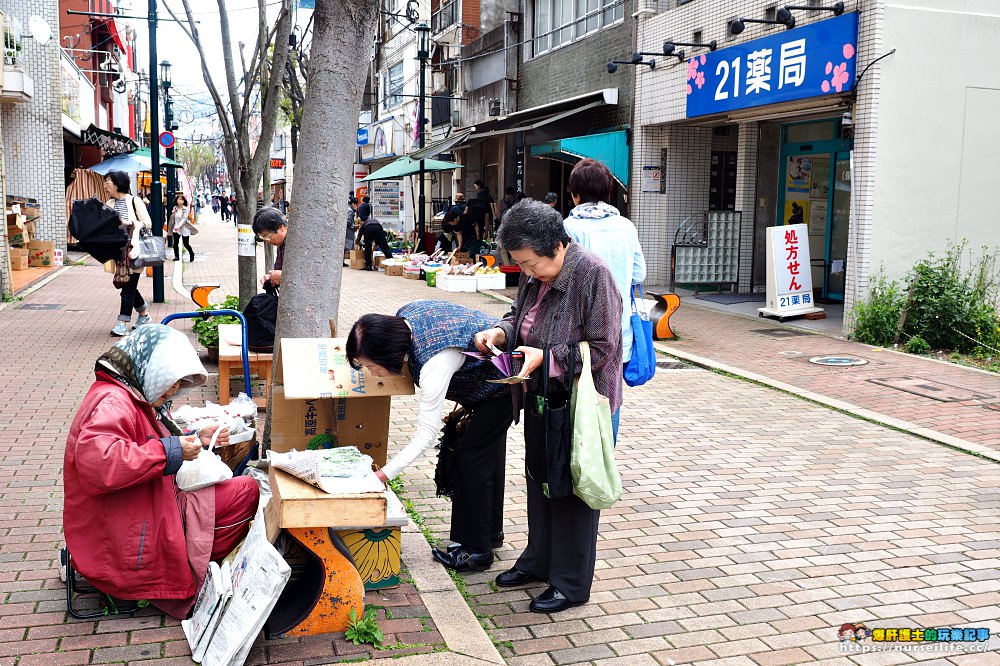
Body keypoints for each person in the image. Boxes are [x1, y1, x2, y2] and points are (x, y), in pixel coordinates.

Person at [476, 198, 622, 614]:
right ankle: (538, 560)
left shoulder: (592, 273)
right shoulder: (534, 273)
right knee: (542, 478)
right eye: (520, 265)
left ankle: (570, 582)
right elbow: (520, 317)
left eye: (530, 264)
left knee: (574, 488)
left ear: (557, 246)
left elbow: (605, 347)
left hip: (582, 403)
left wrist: (549, 358)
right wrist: (501, 333)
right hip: (540, 395)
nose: (526, 272)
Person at [63, 325, 259, 619]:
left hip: (132, 510)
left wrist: (196, 437)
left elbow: (137, 445)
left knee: (240, 488)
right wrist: (173, 451)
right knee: (246, 491)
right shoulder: (113, 402)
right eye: (170, 382)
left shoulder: (123, 393)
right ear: (150, 369)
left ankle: (195, 558)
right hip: (127, 527)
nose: (172, 391)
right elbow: (101, 463)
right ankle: (192, 566)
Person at [346, 301, 513, 572]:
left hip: (501, 389)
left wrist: (382, 475)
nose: (371, 373)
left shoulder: (435, 362)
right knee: (483, 459)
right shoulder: (407, 315)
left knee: (469, 460)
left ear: (389, 353)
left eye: (371, 365)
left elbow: (425, 436)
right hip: (490, 381)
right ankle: (489, 536)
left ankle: (476, 552)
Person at [563, 157, 646, 436]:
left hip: (579, 330)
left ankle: (581, 461)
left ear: (574, 194)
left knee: (579, 397)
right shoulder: (626, 227)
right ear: (608, 191)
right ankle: (605, 460)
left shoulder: (570, 228)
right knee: (609, 397)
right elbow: (639, 275)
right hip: (618, 330)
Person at [104, 171, 153, 337]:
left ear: (117, 184)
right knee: (127, 284)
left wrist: (129, 223)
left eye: (108, 182)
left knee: (127, 287)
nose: (105, 185)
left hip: (134, 250)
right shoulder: (109, 203)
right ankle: (144, 314)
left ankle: (122, 323)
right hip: (118, 252)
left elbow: (147, 223)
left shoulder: (134, 201)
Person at [253, 207, 286, 289]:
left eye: (268, 236)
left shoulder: (297, 245)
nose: (268, 241)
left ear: (281, 228)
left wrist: (283, 276)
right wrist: (271, 278)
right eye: (263, 238)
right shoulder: (281, 244)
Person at [171, 194, 196, 263]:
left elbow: (184, 219)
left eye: (182, 200)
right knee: (175, 243)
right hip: (175, 228)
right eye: (179, 199)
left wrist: (179, 226)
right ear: (176, 200)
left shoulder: (186, 209)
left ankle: (191, 253)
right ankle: (176, 256)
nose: (180, 201)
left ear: (184, 201)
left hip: (184, 228)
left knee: (186, 244)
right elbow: (173, 218)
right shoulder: (175, 208)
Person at [345, 197, 359, 264]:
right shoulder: (350, 211)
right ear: (353, 204)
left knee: (344, 247)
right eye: (355, 204)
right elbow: (348, 221)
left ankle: (342, 262)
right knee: (346, 247)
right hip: (349, 231)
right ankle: (342, 262)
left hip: (346, 231)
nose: (356, 206)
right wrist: (354, 226)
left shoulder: (347, 208)